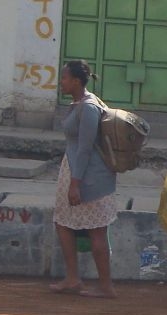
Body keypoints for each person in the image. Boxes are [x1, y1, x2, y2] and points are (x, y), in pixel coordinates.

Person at [49, 60, 119, 298]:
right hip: (78, 172)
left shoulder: (88, 108)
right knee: (63, 223)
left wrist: (75, 183)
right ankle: (72, 278)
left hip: (89, 177)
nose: (62, 82)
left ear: (77, 82)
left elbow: (85, 148)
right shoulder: (81, 103)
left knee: (97, 231)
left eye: (65, 78)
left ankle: (106, 286)